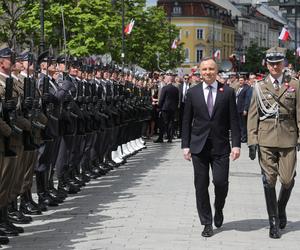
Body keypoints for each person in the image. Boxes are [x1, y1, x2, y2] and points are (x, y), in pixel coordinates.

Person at [181, 57, 240, 237]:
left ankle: (219, 208)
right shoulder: (192, 92)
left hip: (221, 146)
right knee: (201, 185)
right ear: (199, 71)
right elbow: (186, 121)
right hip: (198, 146)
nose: (208, 72)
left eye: (211, 69)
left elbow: (234, 121)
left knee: (221, 183)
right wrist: (185, 145)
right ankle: (206, 222)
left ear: (217, 71)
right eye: (204, 69)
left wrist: (236, 145)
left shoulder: (227, 92)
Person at [247, 47, 300, 239]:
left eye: (278, 63)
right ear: (266, 65)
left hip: (288, 137)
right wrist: (252, 140)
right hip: (266, 138)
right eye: (271, 63)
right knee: (269, 180)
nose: (275, 66)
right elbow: (253, 115)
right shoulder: (259, 86)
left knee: (287, 180)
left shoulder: (294, 84)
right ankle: (273, 221)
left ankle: (281, 207)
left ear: (284, 63)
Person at [154, 73, 179, 143]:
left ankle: (161, 138)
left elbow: (161, 99)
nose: (164, 80)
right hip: (173, 108)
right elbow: (177, 99)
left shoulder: (164, 88)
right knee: (171, 123)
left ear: (168, 80)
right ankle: (170, 138)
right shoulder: (176, 89)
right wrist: (175, 107)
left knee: (163, 123)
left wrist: (159, 107)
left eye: (165, 79)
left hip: (165, 108)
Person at [235, 75, 250, 143]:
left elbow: (247, 99)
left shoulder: (247, 88)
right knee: (239, 124)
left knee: (243, 125)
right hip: (238, 109)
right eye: (239, 80)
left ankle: (244, 138)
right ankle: (241, 136)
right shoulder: (239, 88)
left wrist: (245, 109)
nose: (240, 82)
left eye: (241, 80)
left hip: (242, 109)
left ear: (245, 81)